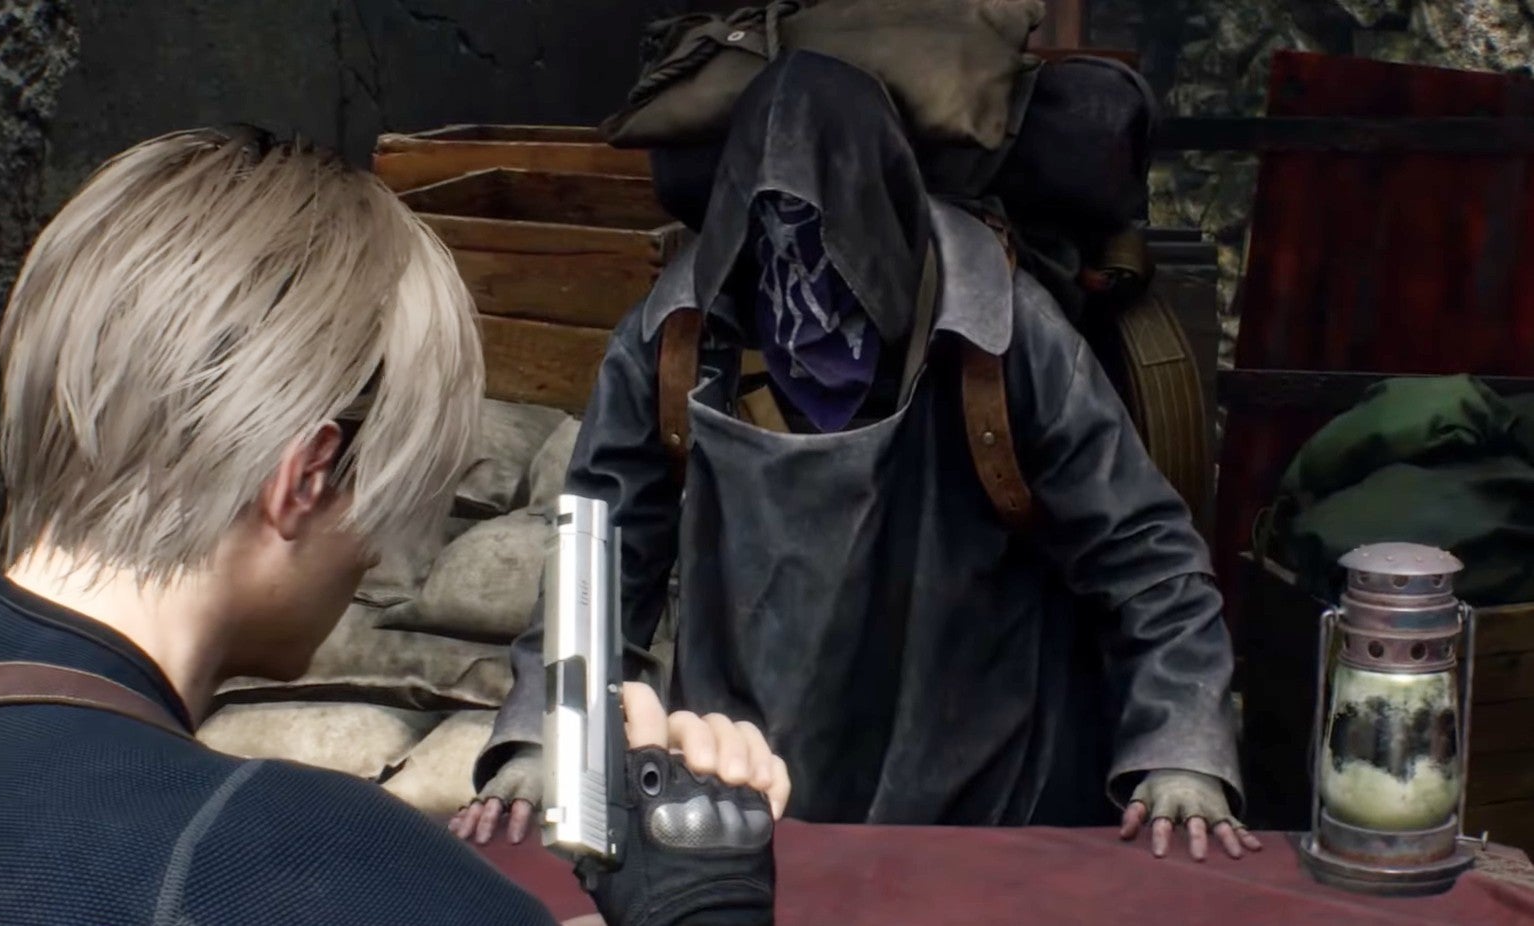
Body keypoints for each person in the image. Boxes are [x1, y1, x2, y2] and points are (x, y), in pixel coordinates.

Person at [0, 126, 788, 926]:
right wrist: (703, 904)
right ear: (306, 477)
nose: (377, 552)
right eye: (390, 492)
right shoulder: (290, 857)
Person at [457, 51, 1264, 863]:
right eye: (773, 240)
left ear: (885, 218)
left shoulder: (1001, 329)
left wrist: (1180, 751)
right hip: (746, 767)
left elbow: (1144, 553)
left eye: (825, 241)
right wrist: (543, 740)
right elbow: (601, 556)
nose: (803, 286)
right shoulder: (677, 338)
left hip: (984, 767)